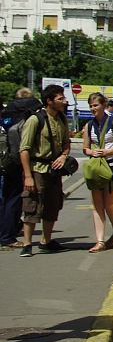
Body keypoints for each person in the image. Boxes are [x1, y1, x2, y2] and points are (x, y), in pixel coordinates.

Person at [18, 84, 73, 257]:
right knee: (33, 205)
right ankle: (27, 244)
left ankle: (46, 240)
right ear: (49, 101)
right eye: (60, 99)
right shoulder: (35, 120)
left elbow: (66, 143)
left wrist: (63, 156)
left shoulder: (62, 119)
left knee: (52, 205)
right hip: (37, 169)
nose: (64, 101)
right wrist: (28, 176)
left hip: (54, 170)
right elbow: (24, 149)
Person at [83, 92, 113, 252]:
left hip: (112, 167)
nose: (92, 109)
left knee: (109, 205)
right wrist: (91, 153)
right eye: (91, 106)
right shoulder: (89, 125)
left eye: (95, 105)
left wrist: (108, 152)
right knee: (97, 205)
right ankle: (100, 241)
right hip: (97, 168)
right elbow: (86, 147)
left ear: (103, 105)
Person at [1, 88, 44, 249]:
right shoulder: (27, 114)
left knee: (5, 199)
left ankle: (5, 234)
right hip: (18, 162)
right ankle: (8, 238)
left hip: (5, 161)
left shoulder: (8, 112)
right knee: (16, 200)